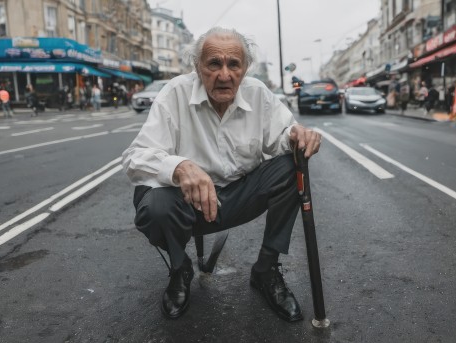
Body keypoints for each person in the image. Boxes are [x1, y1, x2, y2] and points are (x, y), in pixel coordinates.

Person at [122, 27, 322, 322]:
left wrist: (296, 135)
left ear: (245, 68)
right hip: (190, 203)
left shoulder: (258, 94)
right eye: (214, 64)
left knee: (293, 165)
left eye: (234, 64)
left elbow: (280, 136)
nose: (225, 75)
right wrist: (180, 167)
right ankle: (180, 269)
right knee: (152, 206)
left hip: (240, 195)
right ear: (197, 67)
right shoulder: (175, 93)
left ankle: (266, 269)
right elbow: (135, 158)